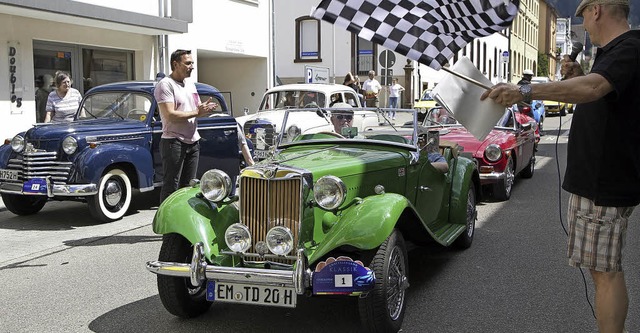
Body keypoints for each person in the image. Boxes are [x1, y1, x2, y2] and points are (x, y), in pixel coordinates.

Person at [481, 1, 638, 332]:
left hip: (605, 181)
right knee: (602, 270)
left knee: (606, 273)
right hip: (598, 180)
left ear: (596, 10)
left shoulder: (631, 47)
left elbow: (595, 88)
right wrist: (580, 76)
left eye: (582, 18)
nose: (585, 27)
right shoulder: (612, 53)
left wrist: (525, 88)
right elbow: (600, 91)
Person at [154, 49, 218, 203]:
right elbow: (170, 114)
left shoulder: (190, 85)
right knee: (171, 186)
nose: (191, 66)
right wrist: (197, 111)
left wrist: (204, 109)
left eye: (192, 63)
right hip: (174, 142)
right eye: (188, 63)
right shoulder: (165, 85)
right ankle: (167, 223)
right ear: (175, 64)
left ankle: (184, 221)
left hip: (193, 141)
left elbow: (194, 109)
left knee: (189, 186)